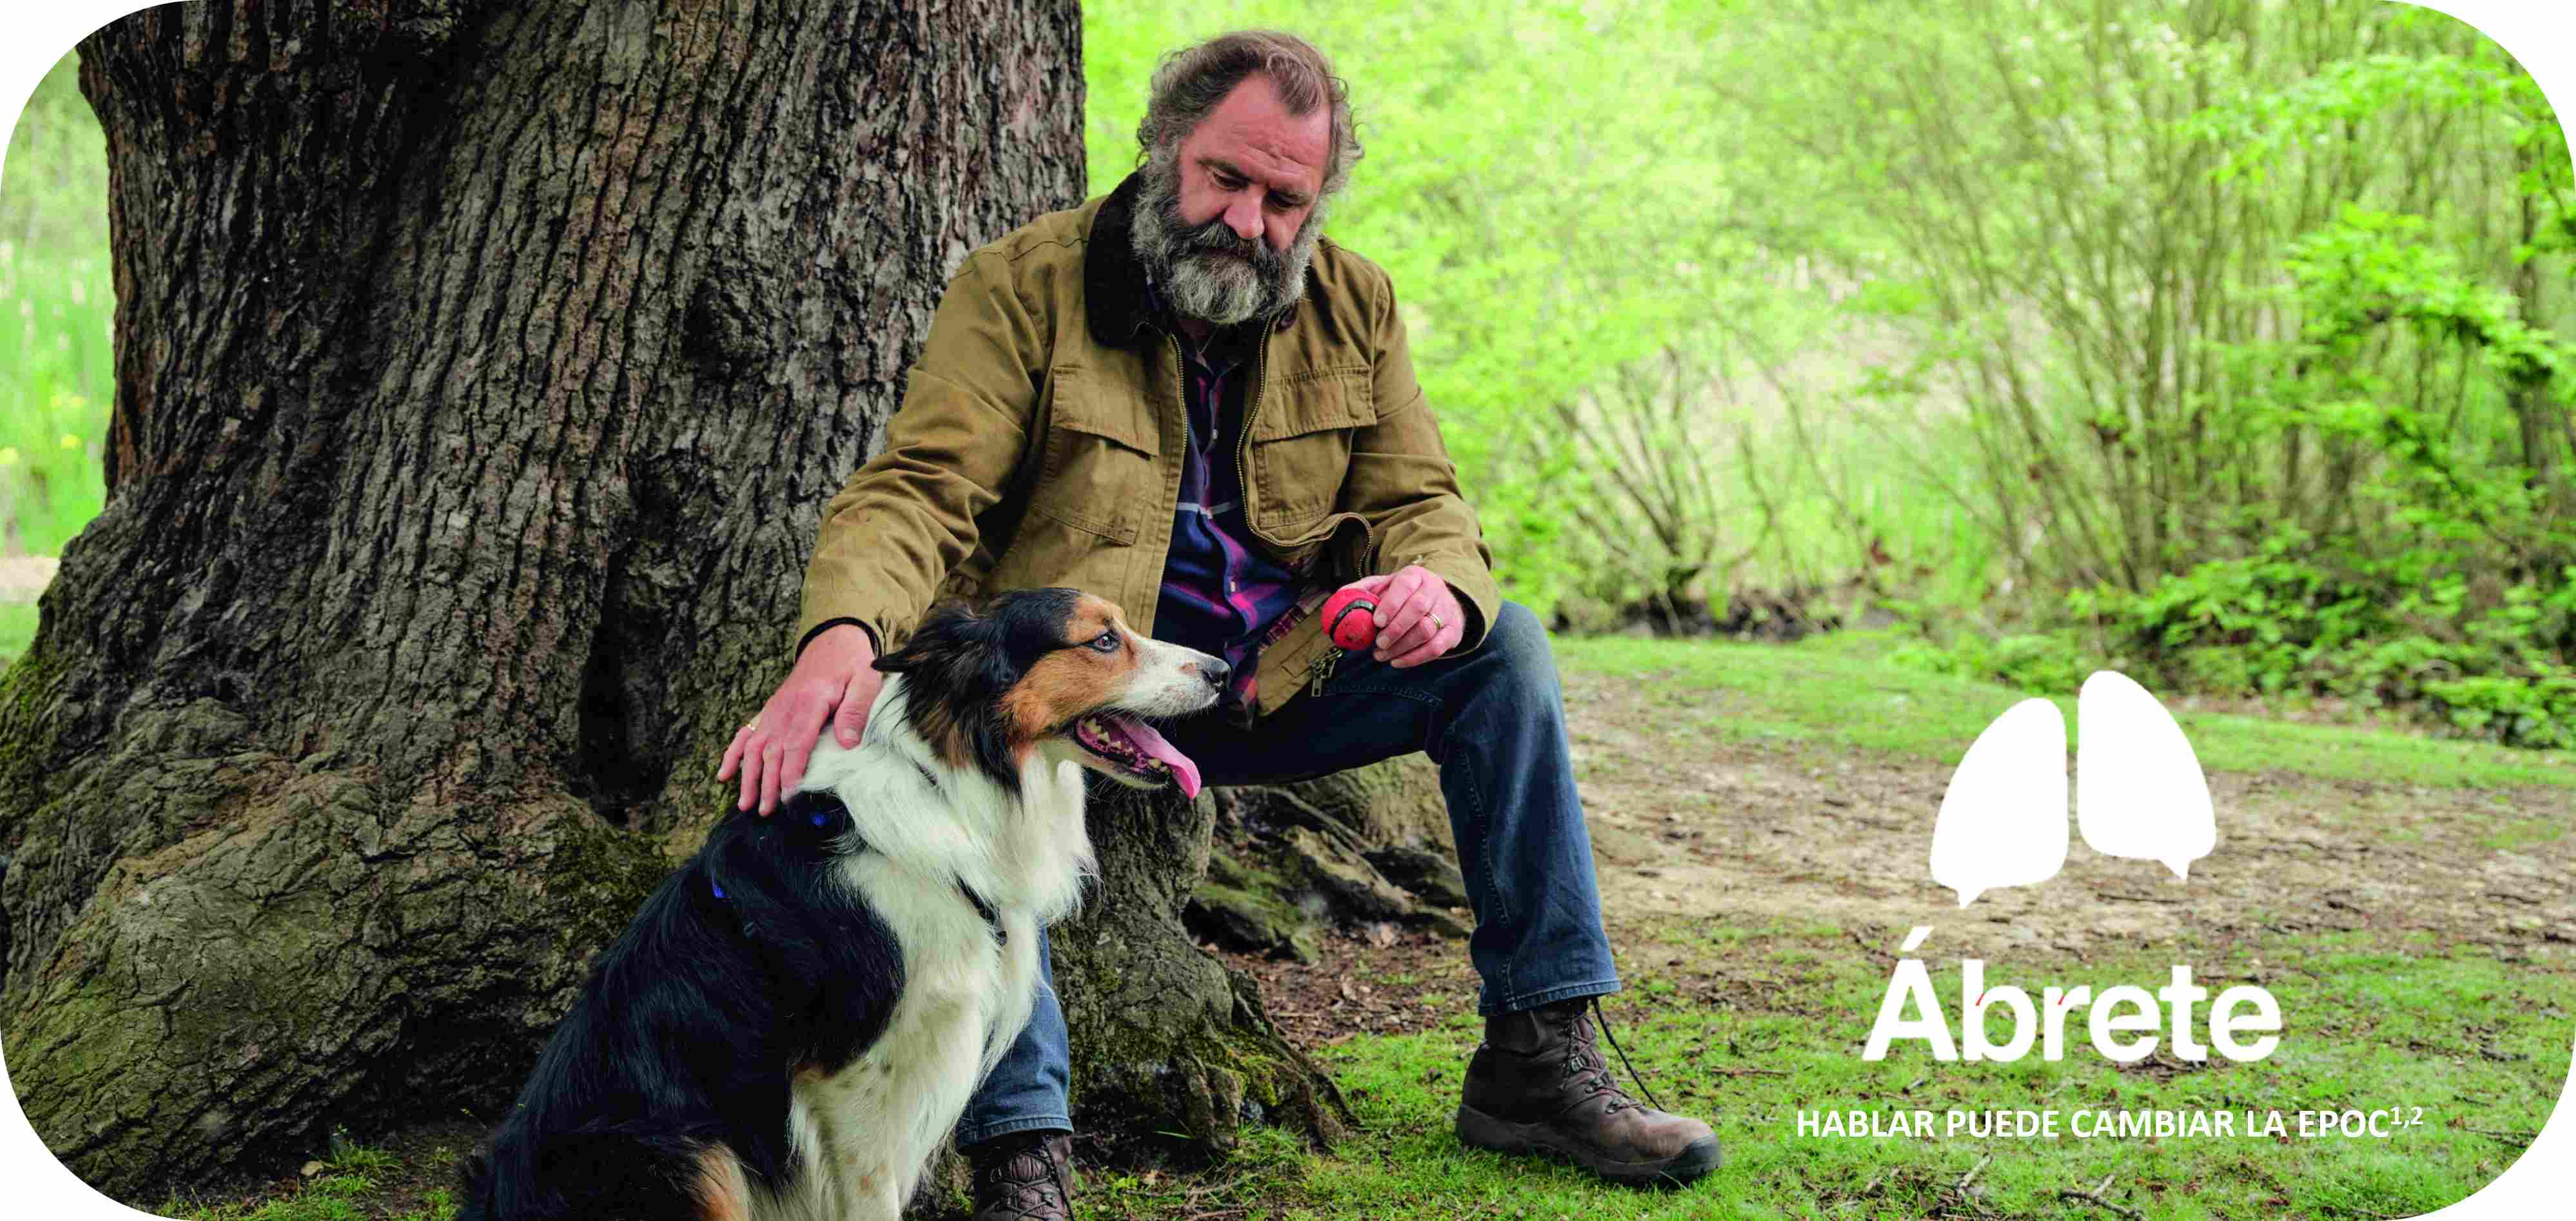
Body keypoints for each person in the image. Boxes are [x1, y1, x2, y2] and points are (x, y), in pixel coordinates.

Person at [717, 30, 1721, 1218]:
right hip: (1088, 692)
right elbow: (920, 492)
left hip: (1273, 682)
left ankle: (1537, 1062)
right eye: (1225, 179)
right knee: (980, 769)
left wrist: (1437, 589)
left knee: (1505, 651)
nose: (1247, 222)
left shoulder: (1357, 304)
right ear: (1164, 151)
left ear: (1317, 204)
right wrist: (840, 635)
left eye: (1283, 200)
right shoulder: (1022, 287)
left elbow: (1424, 502)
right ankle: (1022, 1152)